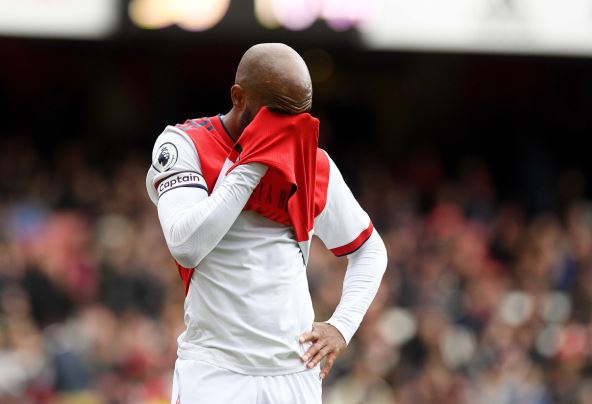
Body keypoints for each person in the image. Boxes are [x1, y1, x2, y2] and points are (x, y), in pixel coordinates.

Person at [145, 43, 388, 404]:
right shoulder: (186, 144)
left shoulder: (313, 164)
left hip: (293, 374)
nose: (288, 127)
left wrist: (342, 325)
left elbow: (370, 250)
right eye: (276, 114)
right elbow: (187, 246)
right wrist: (255, 161)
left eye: (298, 115)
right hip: (215, 372)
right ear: (239, 97)